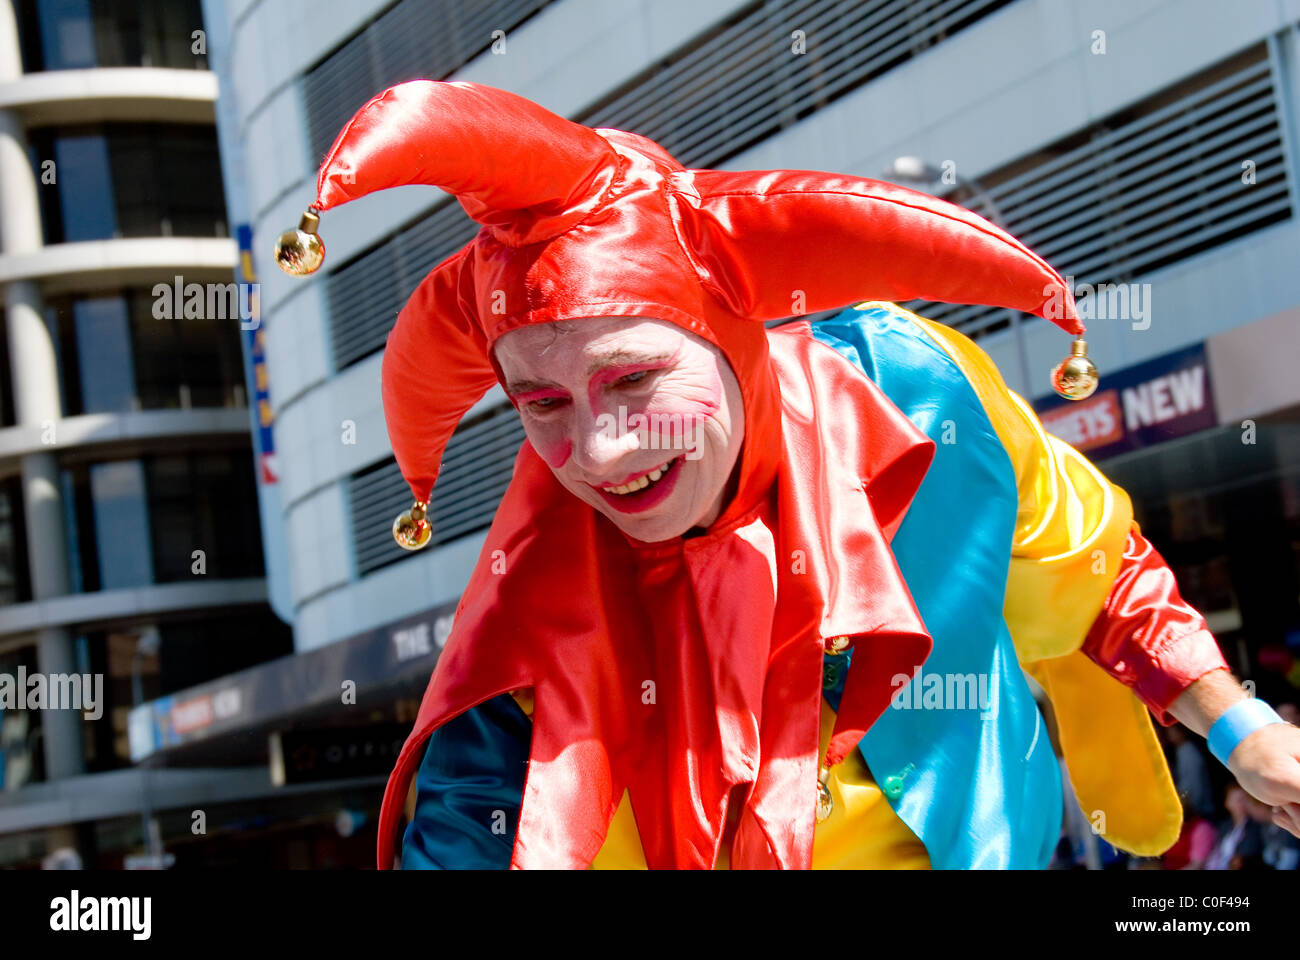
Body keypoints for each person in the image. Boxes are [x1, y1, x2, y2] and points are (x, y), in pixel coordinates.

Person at [274, 80, 1300, 869]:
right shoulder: (537, 588)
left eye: (633, 380)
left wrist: (1242, 729)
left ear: (730, 336)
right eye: (542, 406)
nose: (599, 451)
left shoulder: (917, 391)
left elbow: (1092, 568)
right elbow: (470, 822)